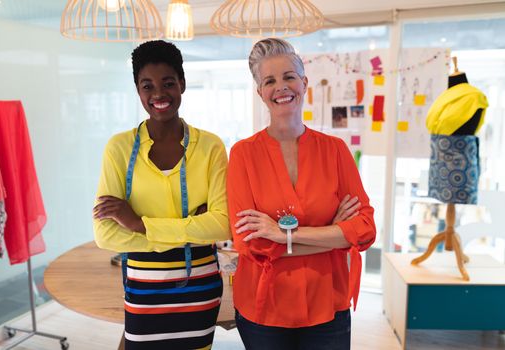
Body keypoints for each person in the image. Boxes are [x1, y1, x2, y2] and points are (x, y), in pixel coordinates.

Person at [227, 38, 376, 350]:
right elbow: (251, 245)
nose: (281, 87)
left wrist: (282, 235)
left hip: (327, 305)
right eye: (269, 80)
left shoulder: (335, 151)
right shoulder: (243, 154)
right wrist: (333, 235)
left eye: (288, 77)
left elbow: (364, 230)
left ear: (304, 82)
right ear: (260, 92)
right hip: (263, 308)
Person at [93, 40, 230, 350]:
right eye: (147, 85)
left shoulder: (210, 147)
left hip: (200, 286)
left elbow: (222, 225)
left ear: (181, 84)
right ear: (138, 90)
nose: (158, 94)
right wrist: (193, 228)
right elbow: (104, 235)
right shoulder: (119, 148)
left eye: (168, 83)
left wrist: (138, 223)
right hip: (143, 287)